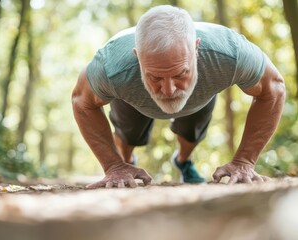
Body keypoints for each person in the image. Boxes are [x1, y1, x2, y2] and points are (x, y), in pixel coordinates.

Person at [72, 5, 285, 188]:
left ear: (196, 49)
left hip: (199, 93)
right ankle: (126, 161)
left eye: (180, 73)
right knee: (129, 133)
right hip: (131, 93)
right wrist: (114, 165)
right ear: (138, 57)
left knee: (191, 130)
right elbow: (82, 102)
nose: (168, 90)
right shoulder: (112, 68)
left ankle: (183, 160)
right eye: (155, 77)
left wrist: (244, 161)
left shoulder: (230, 53)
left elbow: (273, 88)